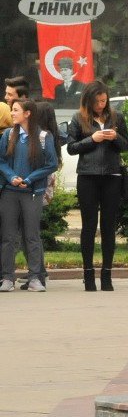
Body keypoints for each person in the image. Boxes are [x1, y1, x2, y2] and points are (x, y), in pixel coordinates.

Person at [66, 81, 128, 292]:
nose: (101, 105)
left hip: (112, 175)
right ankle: (88, 274)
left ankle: (107, 275)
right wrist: (92, 139)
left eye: (104, 101)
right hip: (88, 176)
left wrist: (115, 137)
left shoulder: (116, 117)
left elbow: (127, 145)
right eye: (97, 102)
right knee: (89, 226)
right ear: (89, 100)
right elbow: (72, 148)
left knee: (109, 227)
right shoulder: (78, 118)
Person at [0, 100, 58, 293]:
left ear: (28, 114)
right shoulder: (8, 135)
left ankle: (35, 278)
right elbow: (1, 161)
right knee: (8, 237)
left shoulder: (43, 137)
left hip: (32, 193)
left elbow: (51, 164)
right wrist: (11, 176)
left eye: (15, 110)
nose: (12, 113)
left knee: (32, 236)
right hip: (10, 192)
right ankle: (7, 278)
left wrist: (31, 178)